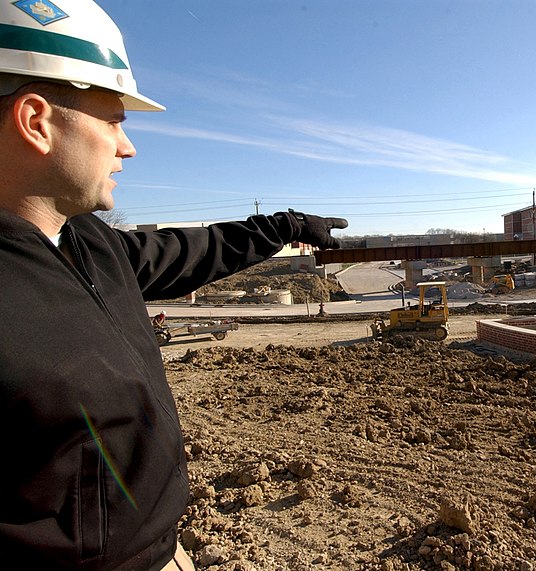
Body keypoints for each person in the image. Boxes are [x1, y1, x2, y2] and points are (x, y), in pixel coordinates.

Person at [0, 1, 347, 569]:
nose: (127, 146)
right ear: (37, 121)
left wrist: (282, 227)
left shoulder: (89, 243)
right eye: (113, 120)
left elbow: (192, 249)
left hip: (164, 551)